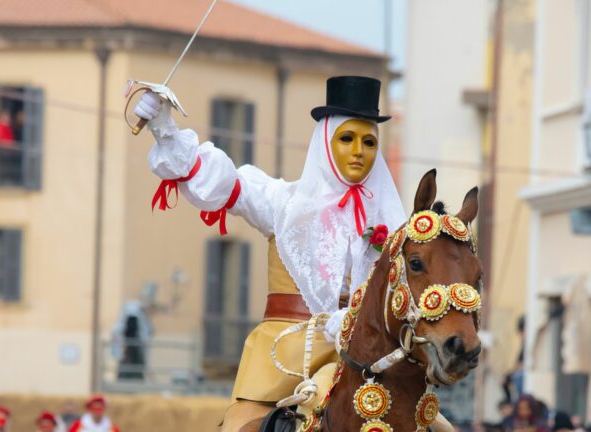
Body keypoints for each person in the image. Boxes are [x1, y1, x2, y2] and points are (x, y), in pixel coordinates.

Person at [133, 76, 411, 431]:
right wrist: (163, 128)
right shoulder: (284, 203)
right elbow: (223, 182)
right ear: (326, 143)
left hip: (365, 358)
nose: (359, 150)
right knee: (238, 427)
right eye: (347, 138)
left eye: (369, 142)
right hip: (287, 355)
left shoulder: (394, 223)